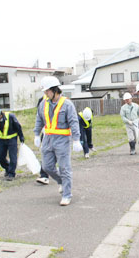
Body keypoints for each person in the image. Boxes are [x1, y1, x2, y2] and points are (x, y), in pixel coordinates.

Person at [34, 76, 82, 206]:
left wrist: (76, 139)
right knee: (47, 166)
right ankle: (61, 181)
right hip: (48, 139)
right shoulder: (43, 103)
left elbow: (74, 122)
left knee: (64, 168)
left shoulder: (67, 104)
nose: (45, 93)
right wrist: (36, 135)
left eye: (47, 91)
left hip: (62, 140)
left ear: (55, 90)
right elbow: (39, 119)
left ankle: (67, 194)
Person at [0, 106, 25, 181]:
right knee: (0, 156)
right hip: (2, 140)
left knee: (13, 157)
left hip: (12, 139)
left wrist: (21, 136)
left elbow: (18, 127)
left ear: (0, 114)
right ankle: (7, 168)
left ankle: (11, 173)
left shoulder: (10, 116)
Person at [35, 95, 50, 185]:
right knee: (45, 155)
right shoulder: (41, 103)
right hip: (46, 134)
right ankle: (44, 176)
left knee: (60, 158)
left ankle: (63, 179)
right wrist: (37, 135)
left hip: (60, 137)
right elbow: (39, 120)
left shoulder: (61, 103)